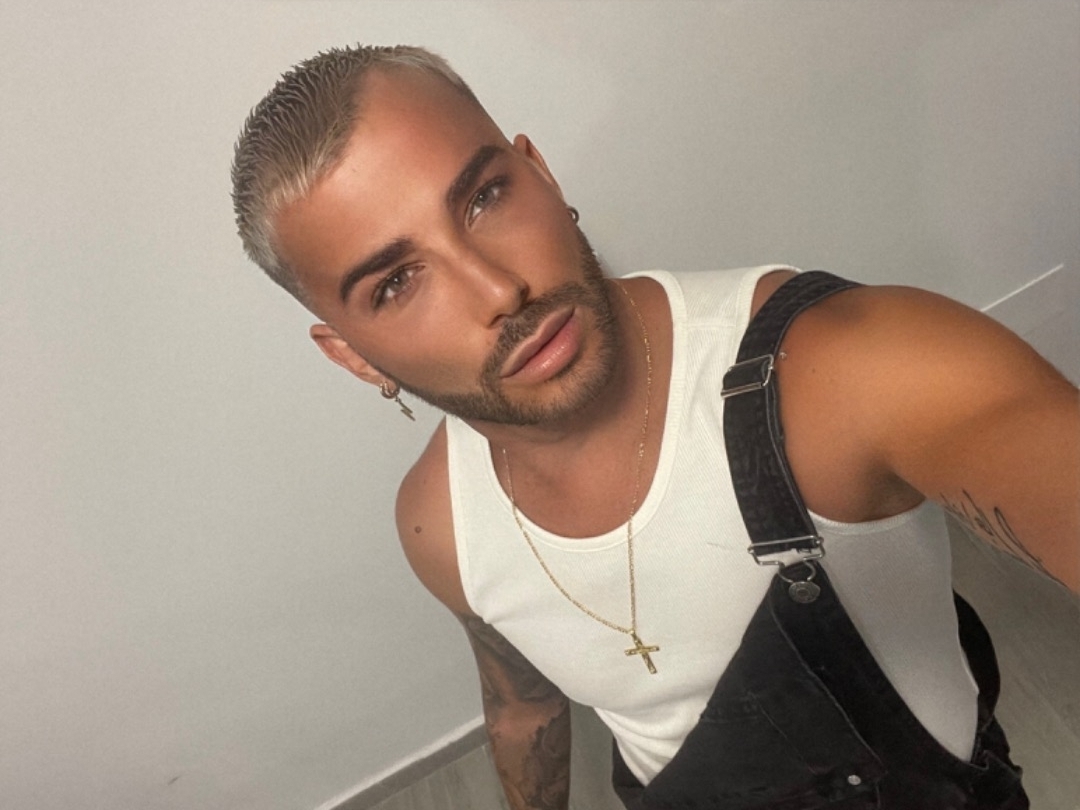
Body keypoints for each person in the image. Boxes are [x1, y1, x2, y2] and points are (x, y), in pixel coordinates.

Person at [231, 45, 1078, 809]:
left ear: (541, 174)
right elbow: (522, 705)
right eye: (396, 283)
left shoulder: (843, 370)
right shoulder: (438, 523)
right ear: (354, 356)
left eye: (485, 197)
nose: (498, 291)